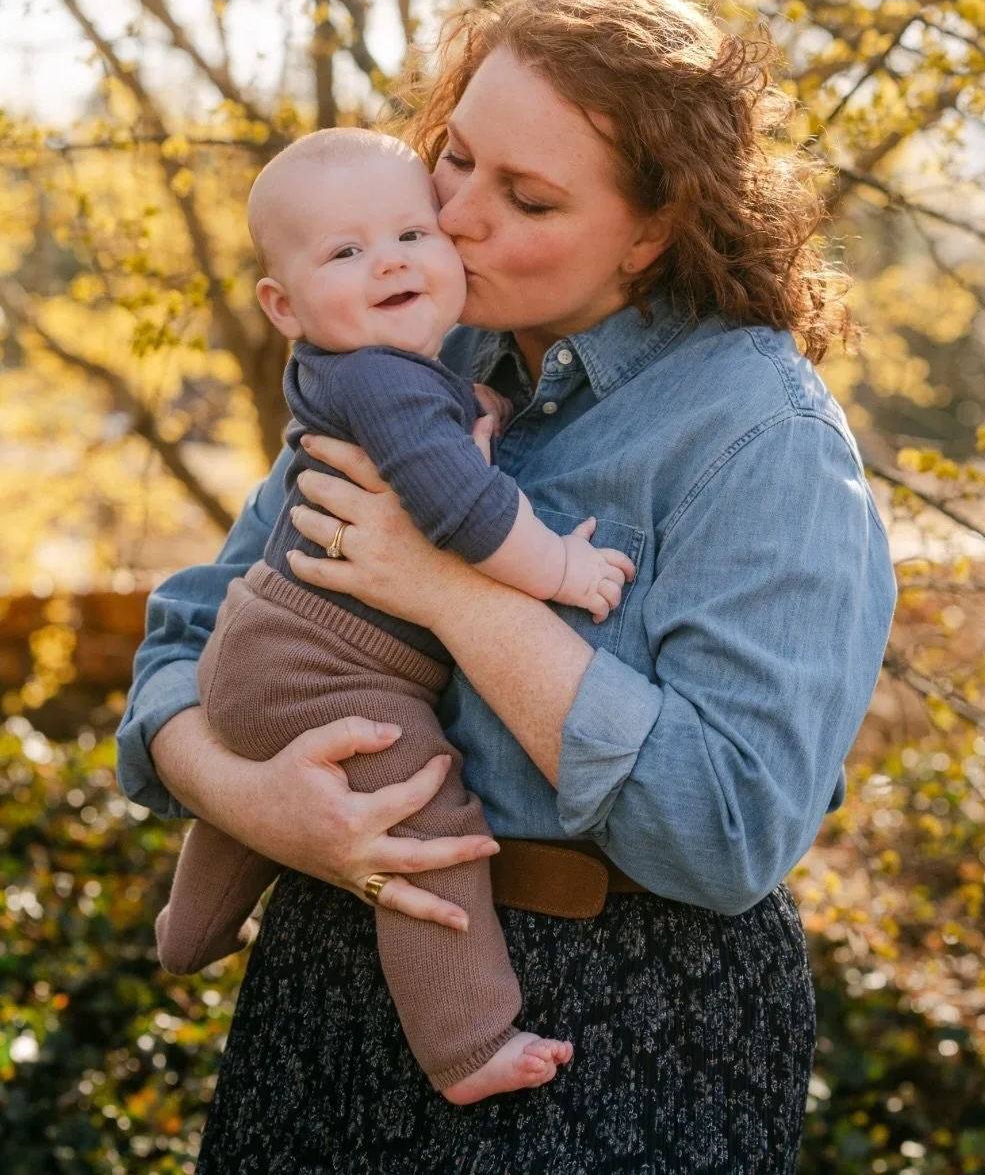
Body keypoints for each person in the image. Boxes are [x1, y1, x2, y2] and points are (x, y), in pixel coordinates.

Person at [117, 0, 897, 1172]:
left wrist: (450, 590)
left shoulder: (761, 440)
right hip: (331, 984)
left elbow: (729, 834)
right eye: (455, 157)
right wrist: (253, 801)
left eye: (525, 196)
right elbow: (187, 641)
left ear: (656, 228)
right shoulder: (408, 344)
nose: (455, 216)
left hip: (611, 1027)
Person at [155, 125, 635, 1102]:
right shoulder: (385, 381)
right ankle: (464, 1043)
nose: (392, 263)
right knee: (425, 825)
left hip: (264, 657)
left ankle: (186, 933)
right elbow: (464, 512)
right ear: (283, 305)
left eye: (413, 234)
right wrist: (563, 571)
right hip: (334, 672)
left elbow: (440, 436)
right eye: (346, 252)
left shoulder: (362, 370)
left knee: (267, 776)